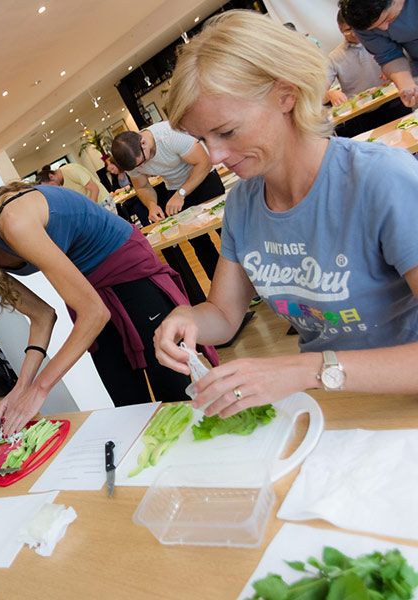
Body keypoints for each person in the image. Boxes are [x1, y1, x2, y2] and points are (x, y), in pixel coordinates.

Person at [153, 10, 418, 418]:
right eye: (202, 139)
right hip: (328, 410)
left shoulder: (381, 180)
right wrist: (186, 318)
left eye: (226, 132)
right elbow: (224, 314)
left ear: (286, 95)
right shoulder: (243, 203)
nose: (217, 156)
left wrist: (306, 369)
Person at [0, 185, 219, 437]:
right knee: (129, 405)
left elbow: (94, 314)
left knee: (178, 389)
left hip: (126, 271)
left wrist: (41, 388)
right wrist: (21, 387)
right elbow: (42, 315)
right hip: (89, 289)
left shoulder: (13, 222)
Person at [111, 122, 225, 281]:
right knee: (199, 243)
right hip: (176, 190)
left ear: (143, 143)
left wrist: (182, 193)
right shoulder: (132, 159)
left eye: (142, 161)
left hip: (205, 180)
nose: (143, 166)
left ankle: (250, 282)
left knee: (227, 232)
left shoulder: (169, 135)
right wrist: (151, 204)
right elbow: (142, 186)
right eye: (139, 165)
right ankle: (221, 288)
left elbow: (204, 162)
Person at [340, 0, 418, 107]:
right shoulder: (362, 24)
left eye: (386, 18)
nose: (384, 28)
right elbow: (389, 55)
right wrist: (406, 86)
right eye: (375, 27)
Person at [326, 10, 386, 106]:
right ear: (340, 29)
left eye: (357, 28)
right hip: (360, 112)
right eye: (348, 30)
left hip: (392, 99)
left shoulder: (382, 40)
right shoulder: (334, 57)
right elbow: (318, 95)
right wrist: (330, 94)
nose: (354, 34)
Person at [36, 163, 117, 213]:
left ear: (51, 176)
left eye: (50, 186)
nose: (52, 190)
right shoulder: (60, 185)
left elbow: (94, 188)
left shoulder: (71, 170)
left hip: (103, 202)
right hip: (94, 208)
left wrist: (91, 211)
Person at [105, 156, 150, 227]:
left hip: (138, 195)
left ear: (117, 164)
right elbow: (115, 189)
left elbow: (136, 182)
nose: (112, 172)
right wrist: (112, 193)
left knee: (137, 206)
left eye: (112, 169)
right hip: (129, 200)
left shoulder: (128, 170)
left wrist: (124, 189)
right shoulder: (115, 177)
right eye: (110, 171)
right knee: (122, 209)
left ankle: (147, 225)